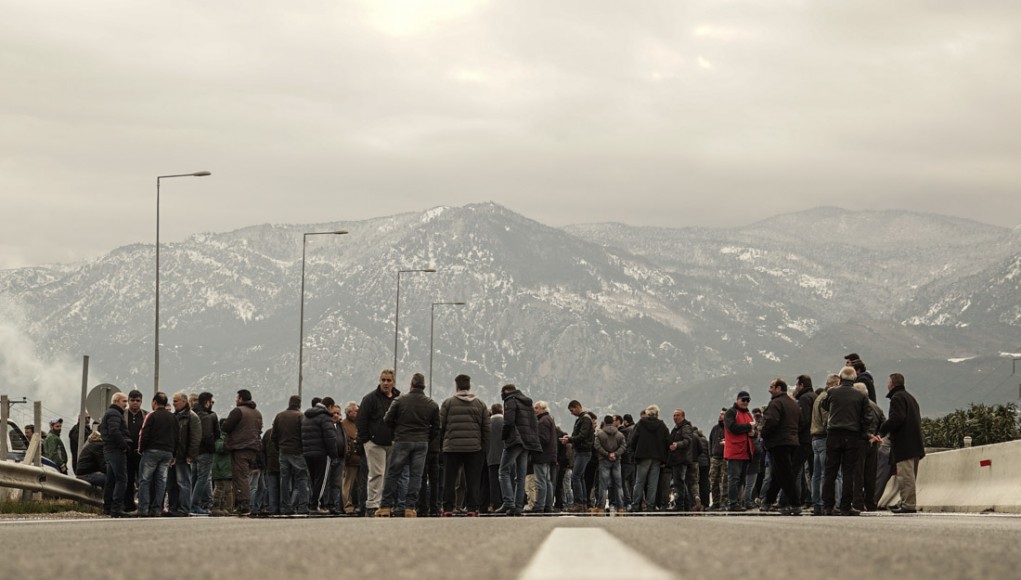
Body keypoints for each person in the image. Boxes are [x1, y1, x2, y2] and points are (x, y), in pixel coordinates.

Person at [377, 373, 439, 517]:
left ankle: (385, 506)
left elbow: (387, 420)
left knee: (393, 474)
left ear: (411, 385)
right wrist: (426, 438)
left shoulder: (400, 400)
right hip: (421, 442)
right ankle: (410, 508)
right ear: (424, 387)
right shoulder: (432, 404)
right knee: (416, 476)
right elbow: (436, 428)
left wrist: (397, 431)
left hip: (402, 440)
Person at [821, 366, 875, 516]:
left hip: (833, 434)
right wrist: (862, 432)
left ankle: (828, 505)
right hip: (852, 435)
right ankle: (846, 506)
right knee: (849, 471)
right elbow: (868, 417)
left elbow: (824, 406)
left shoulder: (832, 392)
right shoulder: (861, 396)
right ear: (854, 379)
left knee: (830, 471)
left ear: (840, 378)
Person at [872, 372, 925, 514]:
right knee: (911, 474)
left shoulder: (897, 398)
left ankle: (908, 504)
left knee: (905, 475)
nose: (887, 384)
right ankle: (904, 500)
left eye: (888, 382)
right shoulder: (910, 398)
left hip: (904, 444)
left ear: (892, 384)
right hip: (915, 443)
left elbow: (897, 418)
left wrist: (881, 431)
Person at [439, 374, 490, 517]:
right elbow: (486, 429)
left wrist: (443, 444)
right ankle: (472, 508)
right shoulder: (480, 404)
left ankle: (448, 508)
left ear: (457, 386)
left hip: (452, 447)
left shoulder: (448, 403)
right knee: (473, 480)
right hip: (474, 448)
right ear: (469, 386)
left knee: (449, 479)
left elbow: (441, 426)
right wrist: (483, 448)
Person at [356, 369, 400, 517]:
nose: (385, 383)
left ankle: (385, 504)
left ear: (393, 382)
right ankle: (373, 504)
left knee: (389, 475)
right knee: (377, 474)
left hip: (392, 442)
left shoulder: (398, 399)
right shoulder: (370, 399)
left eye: (388, 380)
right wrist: (367, 440)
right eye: (383, 380)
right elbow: (361, 419)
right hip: (375, 443)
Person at [497, 384, 541, 515]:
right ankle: (517, 506)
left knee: (503, 471)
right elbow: (534, 424)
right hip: (527, 442)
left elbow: (508, 422)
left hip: (515, 440)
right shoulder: (527, 402)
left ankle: (508, 502)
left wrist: (504, 437)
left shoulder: (510, 400)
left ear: (506, 391)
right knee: (521, 476)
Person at [760, 378, 802, 515]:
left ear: (778, 388)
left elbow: (771, 422)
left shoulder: (776, 403)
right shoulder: (794, 404)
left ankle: (795, 503)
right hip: (792, 441)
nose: (769, 389)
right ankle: (768, 501)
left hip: (779, 442)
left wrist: (763, 433)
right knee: (778, 473)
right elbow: (800, 422)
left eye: (771, 387)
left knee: (785, 474)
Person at [221, 389, 264, 516]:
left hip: (240, 447)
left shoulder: (238, 411)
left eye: (237, 398)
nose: (236, 400)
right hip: (253, 448)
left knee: (240, 477)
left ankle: (243, 504)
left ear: (241, 399)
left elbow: (226, 427)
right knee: (246, 477)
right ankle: (244, 502)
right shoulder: (257, 413)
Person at [137, 392, 176, 517]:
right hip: (167, 453)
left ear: (154, 402)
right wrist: (174, 454)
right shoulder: (173, 417)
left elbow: (144, 434)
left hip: (152, 451)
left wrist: (141, 449)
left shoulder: (151, 416)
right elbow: (177, 437)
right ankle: (157, 509)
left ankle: (143, 508)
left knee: (145, 480)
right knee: (161, 482)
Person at [628, 405, 669, 512]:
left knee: (639, 482)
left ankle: (636, 505)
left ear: (647, 414)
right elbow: (667, 441)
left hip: (642, 456)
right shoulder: (662, 425)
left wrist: (635, 451)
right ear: (657, 414)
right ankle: (651, 506)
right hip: (657, 458)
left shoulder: (641, 423)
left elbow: (633, 439)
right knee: (653, 484)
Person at [273, 395, 308, 516]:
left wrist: (279, 448)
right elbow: (304, 435)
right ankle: (303, 506)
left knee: (284, 479)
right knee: (302, 478)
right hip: (297, 452)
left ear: (289, 403)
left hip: (283, 452)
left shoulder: (279, 416)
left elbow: (274, 436)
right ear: (299, 404)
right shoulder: (300, 416)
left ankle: (285, 507)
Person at [302, 397, 338, 513]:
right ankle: (314, 505)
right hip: (322, 453)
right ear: (330, 406)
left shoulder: (306, 416)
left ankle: (321, 505)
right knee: (321, 480)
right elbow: (330, 438)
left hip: (307, 452)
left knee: (314, 480)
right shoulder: (325, 417)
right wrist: (333, 454)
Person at [168, 392, 201, 516]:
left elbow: (195, 438)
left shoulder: (192, 417)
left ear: (184, 401)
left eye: (176, 401)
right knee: (171, 484)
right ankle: (173, 508)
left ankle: (184, 509)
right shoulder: (173, 416)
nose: (173, 403)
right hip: (172, 456)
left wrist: (190, 455)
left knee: (184, 483)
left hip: (183, 456)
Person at [810, 374, 839, 515]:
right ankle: (832, 504)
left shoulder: (818, 397)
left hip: (815, 439)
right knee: (829, 474)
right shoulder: (827, 398)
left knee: (816, 474)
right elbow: (827, 420)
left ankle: (817, 504)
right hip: (824, 438)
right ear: (833, 384)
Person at [724, 392, 757, 512]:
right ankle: (732, 503)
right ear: (737, 399)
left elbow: (754, 431)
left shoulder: (748, 414)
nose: (746, 402)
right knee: (734, 478)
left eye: (748, 400)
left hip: (746, 452)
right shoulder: (731, 412)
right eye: (743, 399)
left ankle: (738, 502)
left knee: (741, 480)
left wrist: (754, 433)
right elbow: (732, 428)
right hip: (735, 451)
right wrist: (749, 427)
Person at [560, 400, 595, 512]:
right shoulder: (585, 418)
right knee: (580, 477)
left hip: (583, 451)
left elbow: (582, 435)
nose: (571, 413)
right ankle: (583, 502)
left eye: (572, 410)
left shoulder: (584, 419)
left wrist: (569, 439)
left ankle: (579, 502)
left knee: (575, 476)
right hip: (583, 451)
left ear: (576, 407)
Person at [101, 392, 130, 516]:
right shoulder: (114, 413)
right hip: (116, 450)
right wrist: (124, 446)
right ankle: (116, 508)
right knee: (121, 479)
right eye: (124, 401)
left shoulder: (110, 413)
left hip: (109, 449)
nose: (126, 404)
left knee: (111, 479)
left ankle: (107, 507)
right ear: (116, 401)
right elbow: (114, 431)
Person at [191, 392, 219, 515]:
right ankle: (195, 504)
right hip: (205, 451)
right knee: (203, 478)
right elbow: (210, 435)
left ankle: (192, 502)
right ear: (207, 403)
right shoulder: (208, 417)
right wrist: (211, 447)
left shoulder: (192, 414)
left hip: (194, 451)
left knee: (195, 477)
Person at [594, 414, 627, 513]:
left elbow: (597, 445)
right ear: (612, 422)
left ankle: (601, 507)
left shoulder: (599, 434)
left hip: (604, 461)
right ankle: (620, 507)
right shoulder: (619, 434)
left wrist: (607, 454)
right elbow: (624, 446)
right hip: (616, 461)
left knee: (603, 486)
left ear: (604, 422)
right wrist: (615, 454)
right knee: (618, 485)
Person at [667, 409, 698, 511]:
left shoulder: (685, 428)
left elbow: (687, 440)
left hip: (681, 459)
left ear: (683, 416)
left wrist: (677, 445)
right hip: (676, 459)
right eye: (674, 415)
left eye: (677, 415)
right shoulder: (676, 428)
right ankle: (685, 505)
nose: (675, 417)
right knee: (680, 483)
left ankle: (680, 505)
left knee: (679, 483)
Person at [124, 390, 148, 512]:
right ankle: (128, 505)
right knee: (127, 480)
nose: (135, 403)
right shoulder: (122, 415)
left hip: (141, 454)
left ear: (141, 402)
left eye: (137, 401)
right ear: (128, 401)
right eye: (132, 400)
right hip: (126, 454)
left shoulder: (146, 416)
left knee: (143, 480)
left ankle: (143, 505)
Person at [532, 401, 557, 513]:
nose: (534, 410)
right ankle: (548, 505)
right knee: (547, 481)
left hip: (541, 455)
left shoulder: (542, 421)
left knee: (540, 481)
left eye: (536, 408)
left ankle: (539, 505)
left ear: (543, 409)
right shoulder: (549, 419)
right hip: (548, 455)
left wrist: (532, 443)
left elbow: (543, 439)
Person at [340, 402, 361, 514]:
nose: (358, 413)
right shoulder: (343, 425)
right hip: (350, 460)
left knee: (360, 485)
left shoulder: (359, 423)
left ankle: (360, 504)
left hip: (360, 459)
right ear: (349, 412)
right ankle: (348, 506)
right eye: (355, 411)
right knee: (348, 484)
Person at [484, 403, 504, 512]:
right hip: (505, 456)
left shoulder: (487, 423)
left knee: (493, 483)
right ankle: (505, 501)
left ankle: (496, 503)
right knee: (505, 480)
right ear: (501, 410)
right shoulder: (505, 422)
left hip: (491, 456)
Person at [707, 409, 728, 510]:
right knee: (713, 480)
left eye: (723, 414)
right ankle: (716, 502)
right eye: (720, 414)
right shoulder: (715, 428)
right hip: (715, 458)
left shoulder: (729, 428)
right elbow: (710, 441)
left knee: (725, 481)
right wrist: (711, 454)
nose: (721, 416)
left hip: (725, 458)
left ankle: (724, 502)